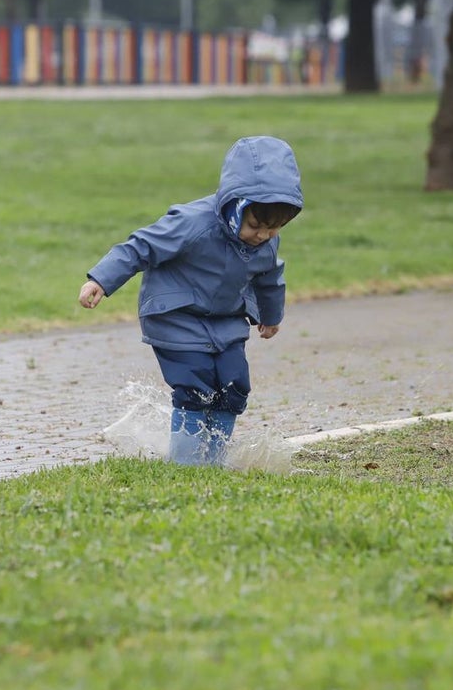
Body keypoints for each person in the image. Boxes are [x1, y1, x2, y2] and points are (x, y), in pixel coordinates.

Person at [78, 136, 304, 466]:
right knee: (196, 384)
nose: (262, 236)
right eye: (255, 225)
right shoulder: (192, 223)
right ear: (235, 206)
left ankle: (212, 461)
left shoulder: (266, 241)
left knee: (233, 384)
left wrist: (270, 315)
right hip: (175, 316)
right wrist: (100, 279)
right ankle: (185, 464)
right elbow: (140, 247)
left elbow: (270, 276)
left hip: (225, 320)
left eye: (273, 229)